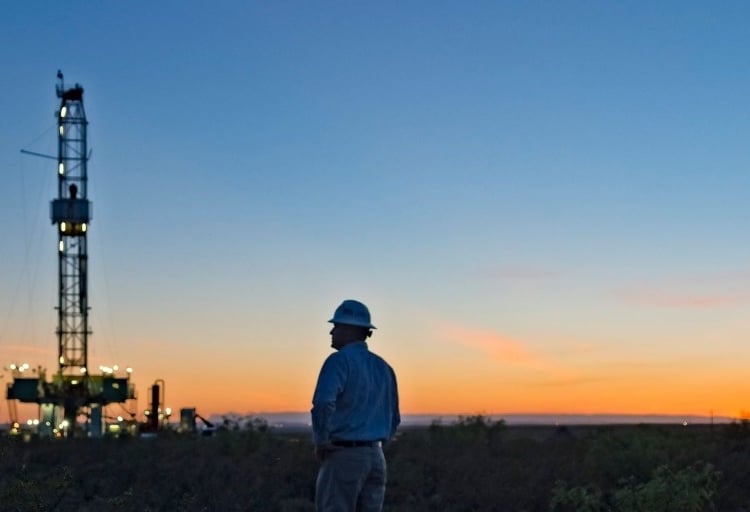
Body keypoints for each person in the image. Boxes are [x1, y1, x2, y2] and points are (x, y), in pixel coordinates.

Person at [311, 299, 400, 512]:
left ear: (350, 329)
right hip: (376, 458)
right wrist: (375, 445)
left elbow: (323, 403)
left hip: (344, 455)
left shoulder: (338, 361)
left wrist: (322, 440)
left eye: (337, 326)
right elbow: (394, 418)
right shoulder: (384, 367)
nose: (331, 331)